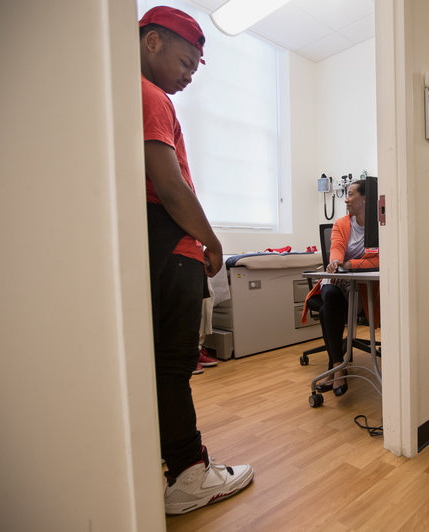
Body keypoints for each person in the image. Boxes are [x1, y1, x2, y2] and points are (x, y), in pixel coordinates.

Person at [139, 6, 253, 514]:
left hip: (163, 247)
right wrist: (213, 242)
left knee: (163, 365)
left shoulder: (134, 96)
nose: (189, 76)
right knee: (174, 364)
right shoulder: (150, 96)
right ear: (153, 42)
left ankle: (174, 462)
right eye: (186, 63)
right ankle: (189, 472)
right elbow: (171, 186)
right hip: (178, 249)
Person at [301, 180, 379, 397]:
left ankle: (335, 367)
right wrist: (336, 263)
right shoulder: (341, 224)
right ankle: (338, 367)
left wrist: (349, 265)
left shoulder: (379, 226)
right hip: (338, 281)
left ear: (365, 200)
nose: (346, 199)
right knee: (330, 295)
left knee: (326, 310)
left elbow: (378, 260)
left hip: (363, 286)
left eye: (351, 194)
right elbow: (336, 248)